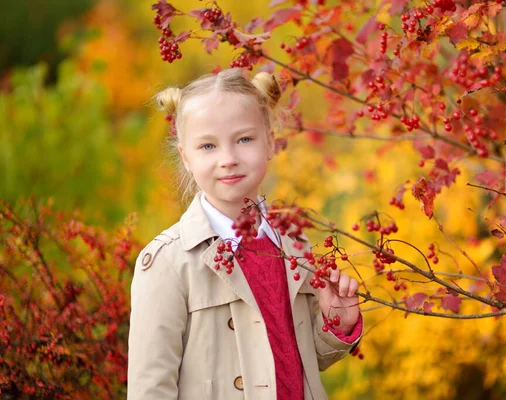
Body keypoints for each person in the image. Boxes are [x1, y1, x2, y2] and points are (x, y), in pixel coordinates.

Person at [127, 68, 363, 400]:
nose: (228, 159)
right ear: (186, 157)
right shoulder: (169, 263)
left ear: (270, 142)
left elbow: (295, 362)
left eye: (244, 139)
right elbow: (150, 389)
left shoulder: (293, 243)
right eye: (208, 146)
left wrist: (336, 324)